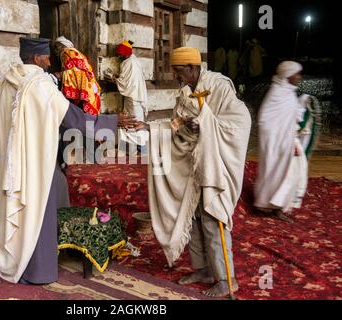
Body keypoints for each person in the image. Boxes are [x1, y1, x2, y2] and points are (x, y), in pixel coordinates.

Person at [0, 37, 137, 285]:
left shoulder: (6, 81)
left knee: (23, 208)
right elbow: (72, 118)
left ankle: (13, 258)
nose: (50, 62)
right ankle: (36, 271)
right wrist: (112, 122)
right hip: (34, 163)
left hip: (10, 165)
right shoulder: (39, 84)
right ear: (38, 58)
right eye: (48, 58)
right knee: (36, 210)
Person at [137, 47, 251, 297]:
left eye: (179, 72)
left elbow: (240, 120)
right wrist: (147, 127)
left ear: (192, 67)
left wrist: (205, 122)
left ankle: (226, 279)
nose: (177, 77)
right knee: (196, 217)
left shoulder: (218, 86)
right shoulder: (185, 91)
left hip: (215, 164)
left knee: (213, 219)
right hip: (194, 163)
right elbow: (175, 124)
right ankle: (203, 269)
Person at [254, 61, 314, 222]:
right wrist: (278, 141)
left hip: (287, 142)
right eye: (296, 74)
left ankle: (278, 205)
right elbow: (264, 120)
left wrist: (302, 104)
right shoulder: (276, 93)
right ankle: (267, 205)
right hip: (274, 144)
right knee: (274, 172)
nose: (299, 77)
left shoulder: (289, 93)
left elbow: (290, 117)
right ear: (288, 75)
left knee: (289, 172)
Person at [105, 40, 149, 156]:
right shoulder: (133, 60)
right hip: (134, 97)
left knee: (134, 123)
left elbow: (125, 82)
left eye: (120, 54)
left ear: (125, 54)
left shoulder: (129, 63)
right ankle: (132, 149)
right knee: (130, 122)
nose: (119, 56)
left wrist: (114, 79)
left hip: (133, 98)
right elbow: (129, 80)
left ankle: (142, 149)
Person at [53, 36, 101, 116]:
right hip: (89, 85)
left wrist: (61, 74)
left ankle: (88, 127)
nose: (56, 49)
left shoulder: (66, 53)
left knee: (84, 114)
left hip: (84, 86)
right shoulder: (75, 52)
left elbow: (75, 71)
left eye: (57, 46)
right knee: (89, 113)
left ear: (62, 45)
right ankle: (90, 127)